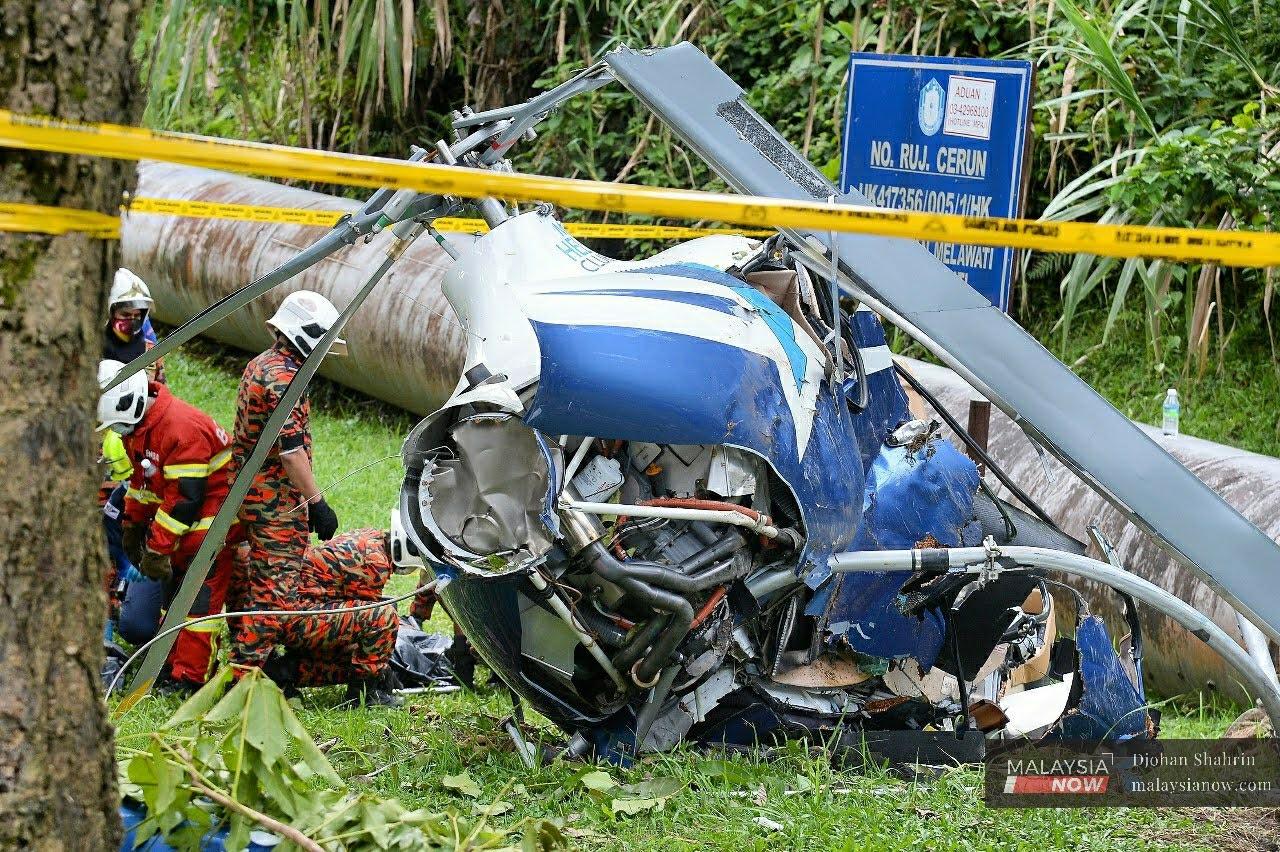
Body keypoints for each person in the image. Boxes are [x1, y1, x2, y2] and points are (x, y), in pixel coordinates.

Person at [96, 360, 236, 691]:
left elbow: (185, 501)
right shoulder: (142, 429)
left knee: (198, 606)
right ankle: (172, 664)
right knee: (172, 600)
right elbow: (144, 484)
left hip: (211, 526)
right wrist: (132, 524)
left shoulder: (180, 428)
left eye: (116, 425)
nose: (116, 433)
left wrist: (158, 548)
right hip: (184, 526)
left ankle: (190, 678)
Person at [227, 290, 343, 682]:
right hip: (273, 502)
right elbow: (291, 453)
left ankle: (248, 658)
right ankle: (244, 676)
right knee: (274, 592)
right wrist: (317, 503)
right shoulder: (284, 379)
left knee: (255, 577)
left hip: (253, 494)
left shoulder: (265, 363)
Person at [246, 519, 416, 707]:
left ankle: (281, 672)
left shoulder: (371, 538)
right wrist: (379, 670)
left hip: (292, 612)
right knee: (383, 618)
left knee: (353, 660)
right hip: (297, 617)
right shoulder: (374, 561)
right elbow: (370, 623)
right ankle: (364, 695)